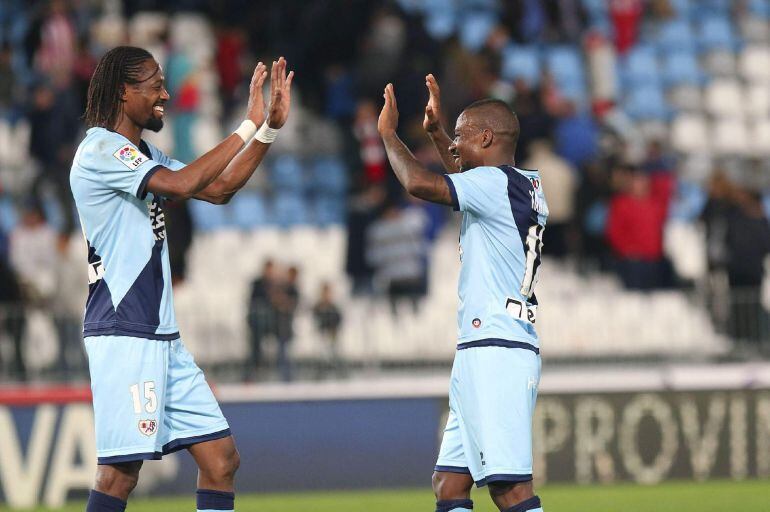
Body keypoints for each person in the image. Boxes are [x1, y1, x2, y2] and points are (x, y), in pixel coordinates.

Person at [70, 46, 292, 512]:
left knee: (221, 460)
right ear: (123, 92)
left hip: (162, 337)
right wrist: (246, 125)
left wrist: (268, 129)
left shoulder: (141, 153)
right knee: (118, 477)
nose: (165, 94)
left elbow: (217, 188)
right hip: (124, 330)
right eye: (154, 85)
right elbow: (182, 185)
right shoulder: (100, 150)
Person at [378, 75, 547, 512]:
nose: (453, 146)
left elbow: (418, 183)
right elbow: (466, 180)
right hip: (487, 346)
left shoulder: (492, 185)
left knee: (510, 490)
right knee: (449, 484)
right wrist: (436, 132)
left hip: (496, 347)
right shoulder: (518, 185)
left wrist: (388, 135)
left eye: (460, 137)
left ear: (487, 137)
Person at [245, 259, 278, 381]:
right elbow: (253, 301)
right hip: (257, 322)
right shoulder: (257, 283)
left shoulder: (276, 284)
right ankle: (256, 367)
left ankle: (263, 366)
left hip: (272, 322)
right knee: (256, 337)